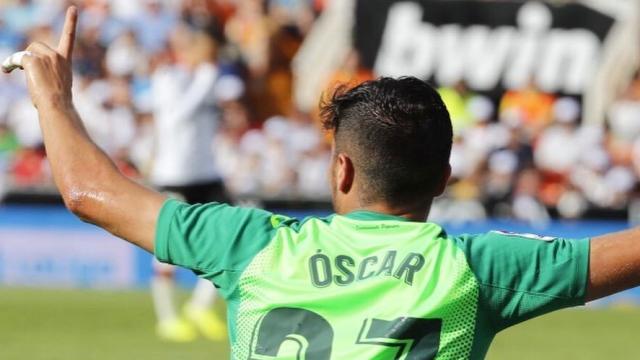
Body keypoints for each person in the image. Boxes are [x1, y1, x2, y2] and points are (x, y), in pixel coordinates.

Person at [8, 7, 640, 359]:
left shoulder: (251, 246)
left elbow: (89, 193)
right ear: (444, 177)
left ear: (341, 168)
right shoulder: (478, 268)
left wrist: (55, 100)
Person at [148, 25, 230, 342]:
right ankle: (167, 318)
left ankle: (199, 306)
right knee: (166, 246)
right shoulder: (168, 78)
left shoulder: (205, 79)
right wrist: (205, 82)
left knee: (224, 237)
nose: (211, 60)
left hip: (205, 172)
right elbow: (175, 118)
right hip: (175, 174)